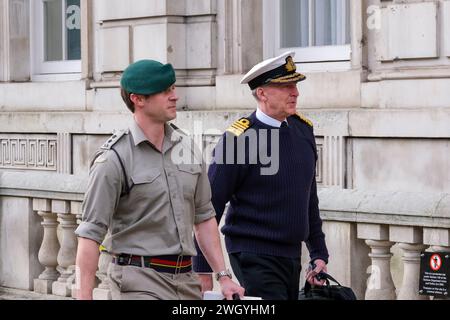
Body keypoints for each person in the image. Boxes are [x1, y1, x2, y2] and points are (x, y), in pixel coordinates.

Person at [75, 59, 244, 300]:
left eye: (173, 88)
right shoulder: (113, 159)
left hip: (186, 281)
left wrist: (224, 277)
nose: (174, 96)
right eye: (165, 91)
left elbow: (204, 217)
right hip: (137, 281)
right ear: (138, 99)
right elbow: (90, 235)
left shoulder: (188, 148)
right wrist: (84, 296)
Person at [193, 51, 329, 300]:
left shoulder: (303, 130)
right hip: (252, 254)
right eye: (286, 86)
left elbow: (308, 198)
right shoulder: (238, 139)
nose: (295, 93)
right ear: (262, 93)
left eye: (295, 85)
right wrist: (202, 267)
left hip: (291, 255)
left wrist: (319, 253)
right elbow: (208, 205)